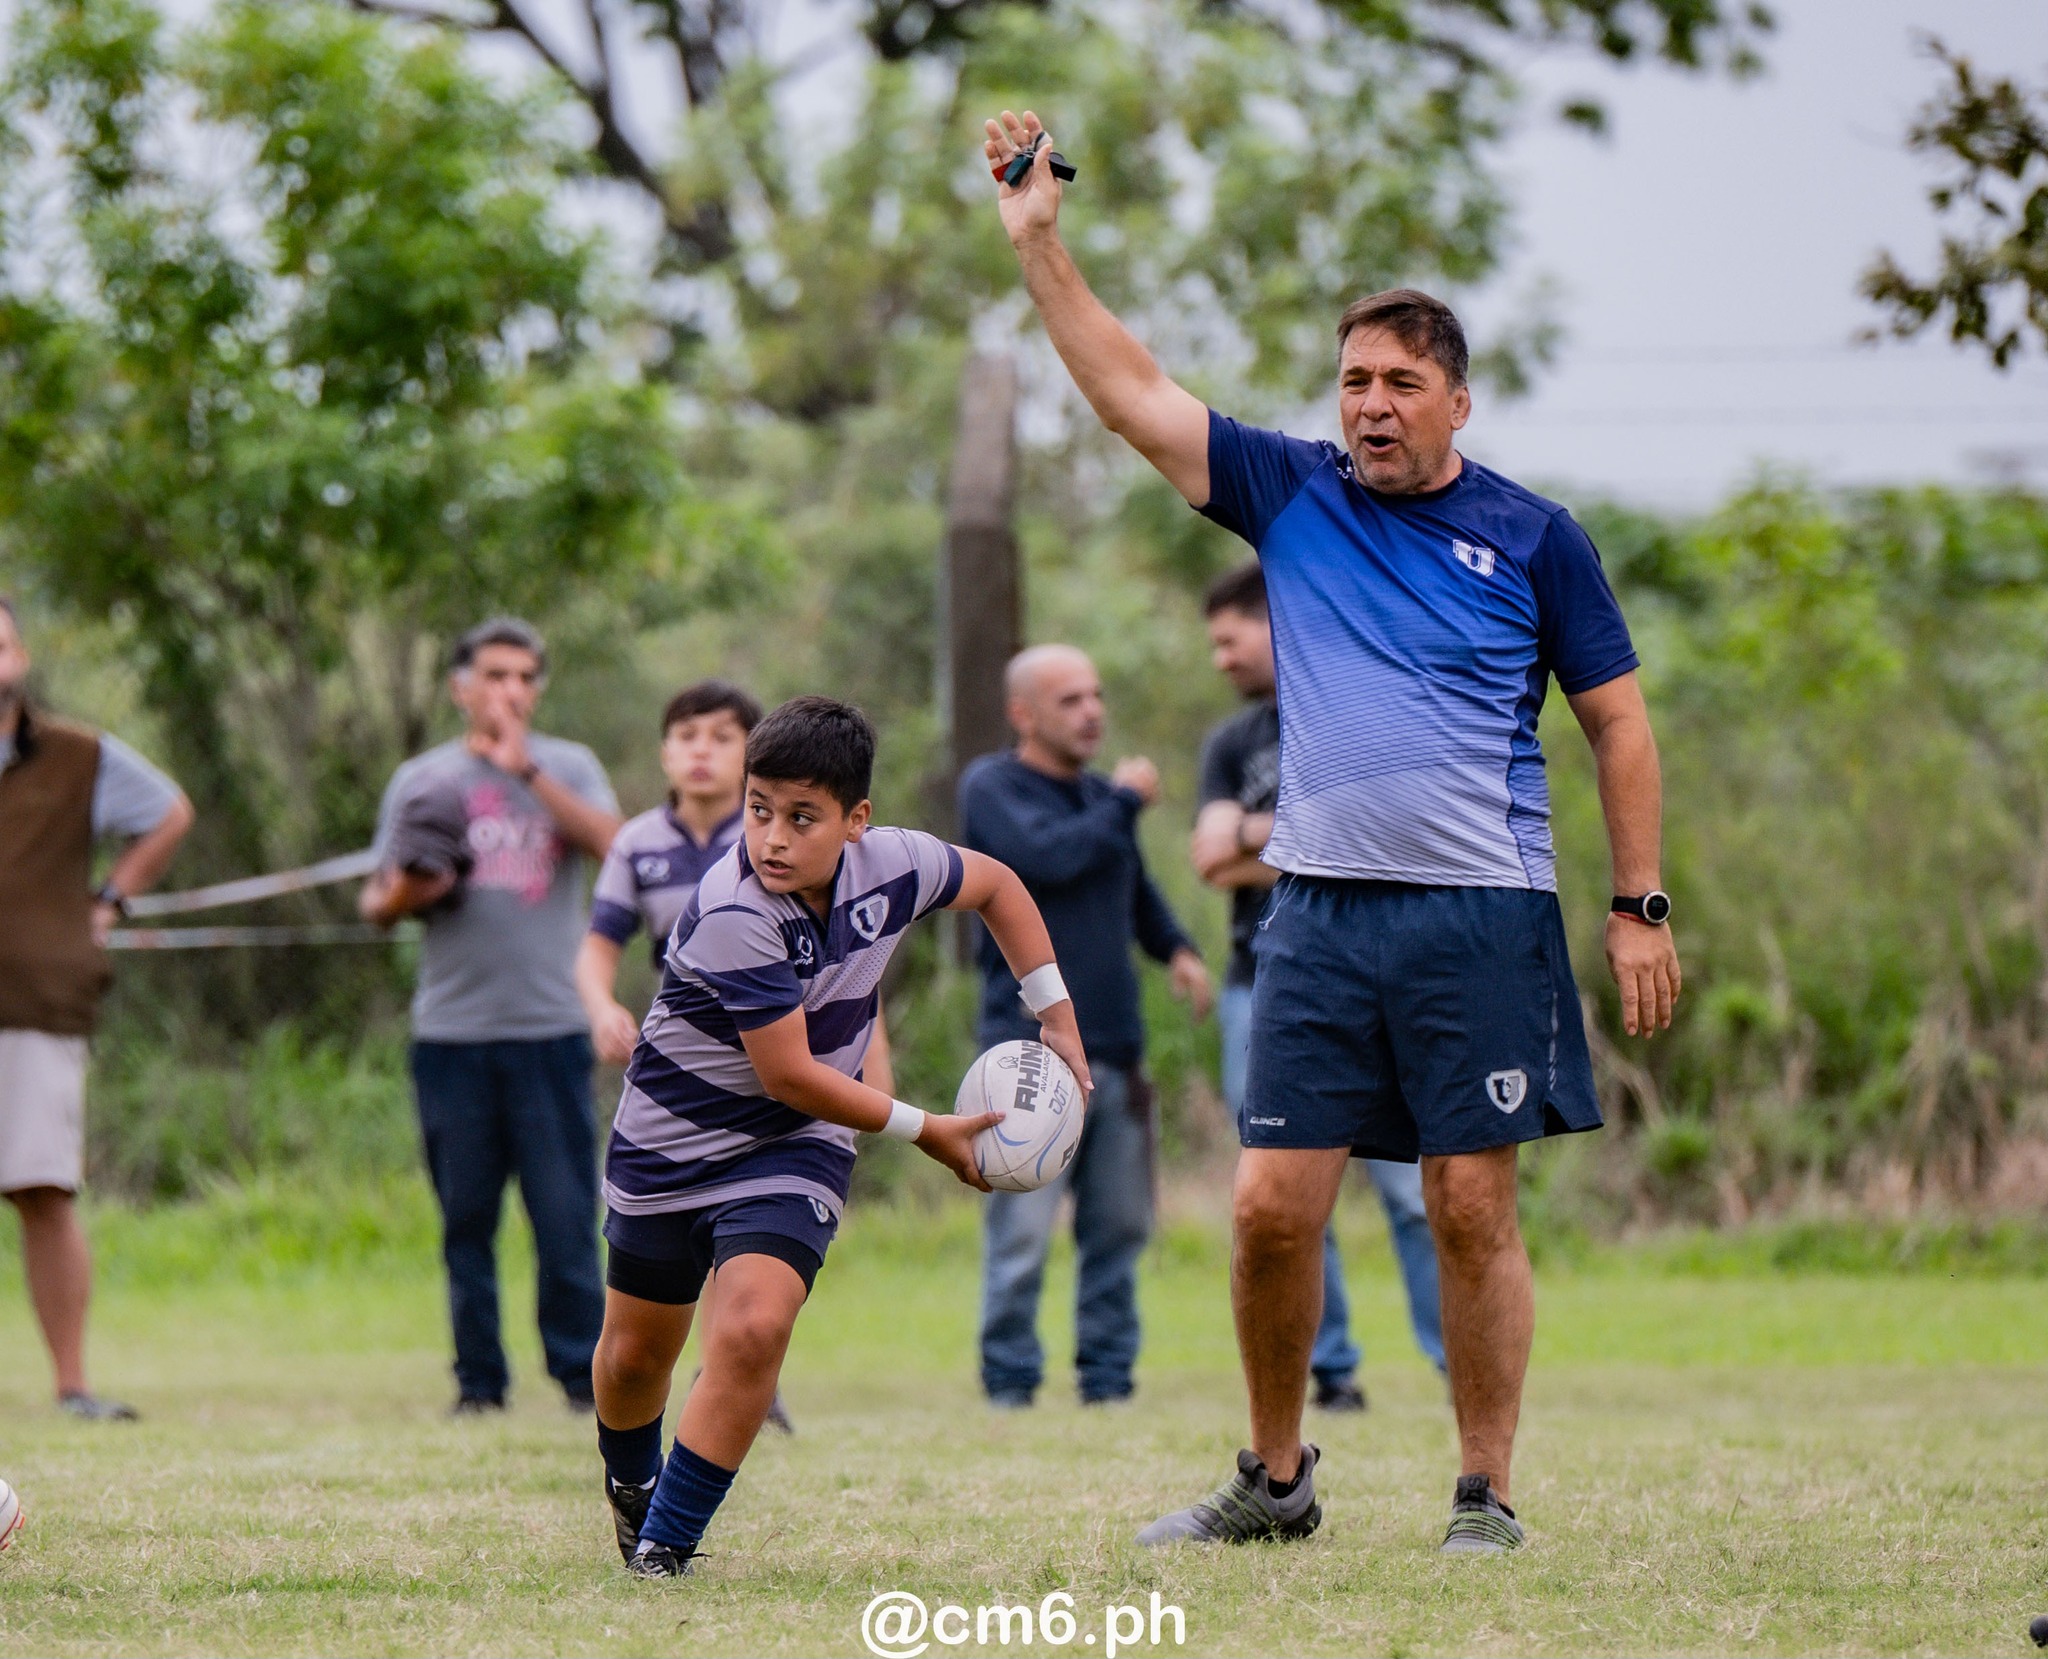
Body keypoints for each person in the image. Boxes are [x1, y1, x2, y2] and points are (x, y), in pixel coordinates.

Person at [985, 109, 1681, 1553]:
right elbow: (1130, 391)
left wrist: (1639, 903)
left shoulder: (1538, 537)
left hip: (1479, 915)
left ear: (1457, 402)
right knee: (1263, 1210)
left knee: (1470, 1206)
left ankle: (1483, 1489)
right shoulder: (1290, 491)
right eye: (1354, 379)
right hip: (1316, 915)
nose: (1370, 403)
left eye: (1400, 382)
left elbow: (1618, 722)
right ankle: (1276, 1475)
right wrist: (1041, 244)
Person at [589, 696, 1090, 1577]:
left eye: (801, 816)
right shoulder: (735, 907)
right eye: (758, 809)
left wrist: (1057, 1014)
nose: (771, 836)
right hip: (669, 1144)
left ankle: (664, 1546)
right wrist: (924, 1127)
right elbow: (788, 1069)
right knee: (635, 1360)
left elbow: (999, 886)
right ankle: (631, 1483)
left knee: (752, 1326)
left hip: (795, 1142)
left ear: (858, 820)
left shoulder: (897, 864)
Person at [1193, 563, 1447, 1407]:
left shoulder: (1356, 711)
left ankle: (1457, 1361)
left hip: (1381, 972)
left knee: (1418, 1189)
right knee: (1287, 1192)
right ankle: (1330, 1372)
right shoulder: (1232, 743)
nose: (1222, 659)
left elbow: (1389, 829)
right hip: (1256, 982)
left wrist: (1260, 835)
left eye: (1230, 639)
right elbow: (1208, 856)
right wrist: (1313, 829)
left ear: (1276, 621)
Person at [361, 616, 623, 1415]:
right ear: (460, 686)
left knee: (565, 1215)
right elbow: (378, 898)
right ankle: (480, 1385)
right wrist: (415, 890)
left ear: (537, 688)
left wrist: (528, 772)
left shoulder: (570, 766)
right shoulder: (424, 779)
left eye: (524, 677)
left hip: (550, 1029)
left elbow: (619, 847)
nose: (509, 690)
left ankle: (583, 1381)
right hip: (453, 1036)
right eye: (494, 675)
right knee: (466, 1219)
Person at [959, 645, 1212, 1409]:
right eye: (1070, 698)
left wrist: (1178, 948)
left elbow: (1133, 890)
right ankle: (1010, 1382)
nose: (1093, 710)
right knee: (1023, 1233)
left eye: (1097, 694)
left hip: (1116, 1049)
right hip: (1026, 1055)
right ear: (1023, 713)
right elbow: (1048, 859)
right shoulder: (993, 788)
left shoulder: (1102, 801)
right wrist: (1129, 803)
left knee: (1119, 1227)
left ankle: (1107, 1380)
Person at [0, 596, 194, 1421]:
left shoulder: (79, 755)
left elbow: (168, 812)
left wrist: (111, 897)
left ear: (21, 651)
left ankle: (72, 1385)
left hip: (35, 999)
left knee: (44, 1188)